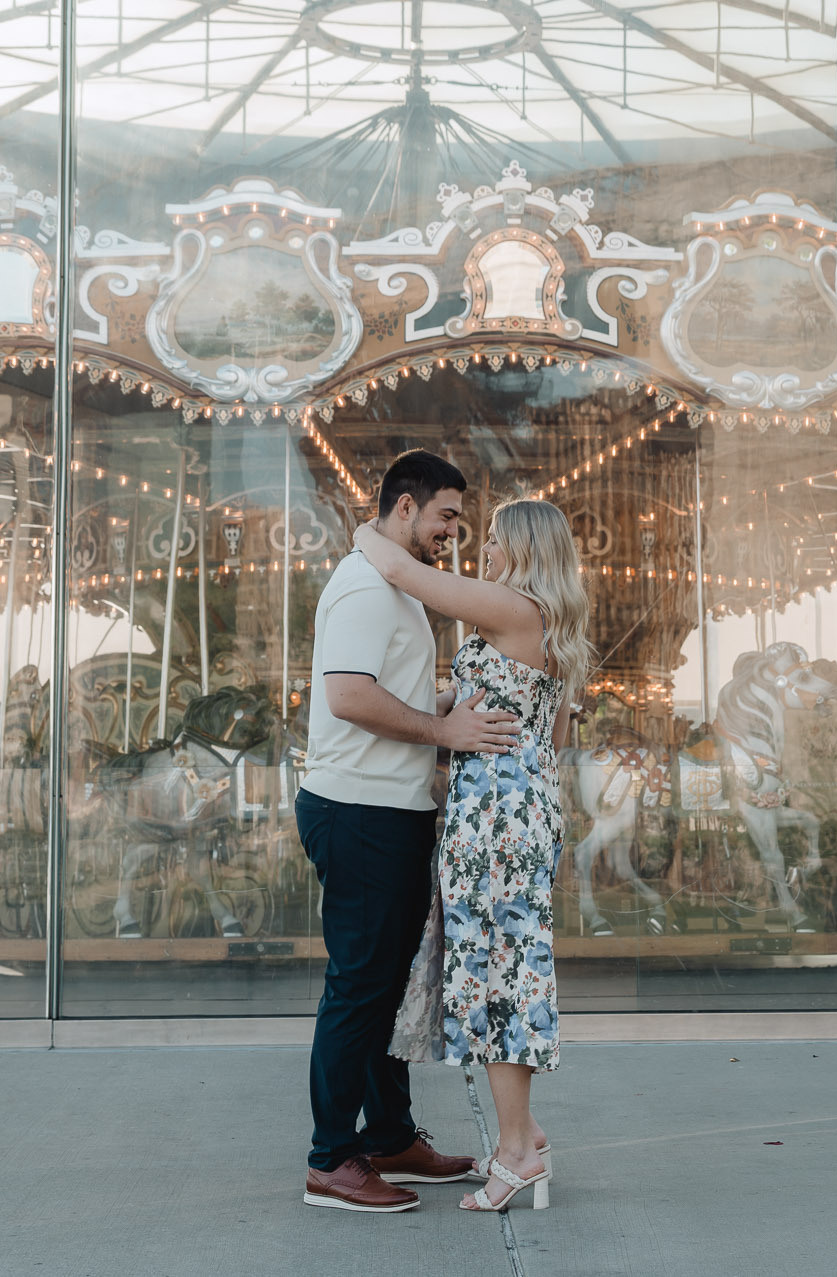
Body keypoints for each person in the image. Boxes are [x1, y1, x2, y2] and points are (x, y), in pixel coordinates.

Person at [298, 449, 523, 1214]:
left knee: (389, 987)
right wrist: (444, 729)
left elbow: (384, 686)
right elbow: (350, 697)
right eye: (446, 517)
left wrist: (460, 701)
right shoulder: (363, 586)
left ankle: (389, 1134)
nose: (453, 533)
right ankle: (331, 1159)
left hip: (390, 810)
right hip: (359, 811)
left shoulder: (391, 585)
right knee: (360, 986)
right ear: (403, 509)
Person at [355, 496, 593, 1215]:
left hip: (493, 820)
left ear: (521, 548)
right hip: (521, 811)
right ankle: (525, 1137)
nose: (481, 550)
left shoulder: (510, 608)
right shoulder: (548, 626)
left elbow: (398, 566)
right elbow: (552, 740)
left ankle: (516, 1150)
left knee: (496, 979)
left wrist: (370, 523)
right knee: (510, 971)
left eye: (491, 540)